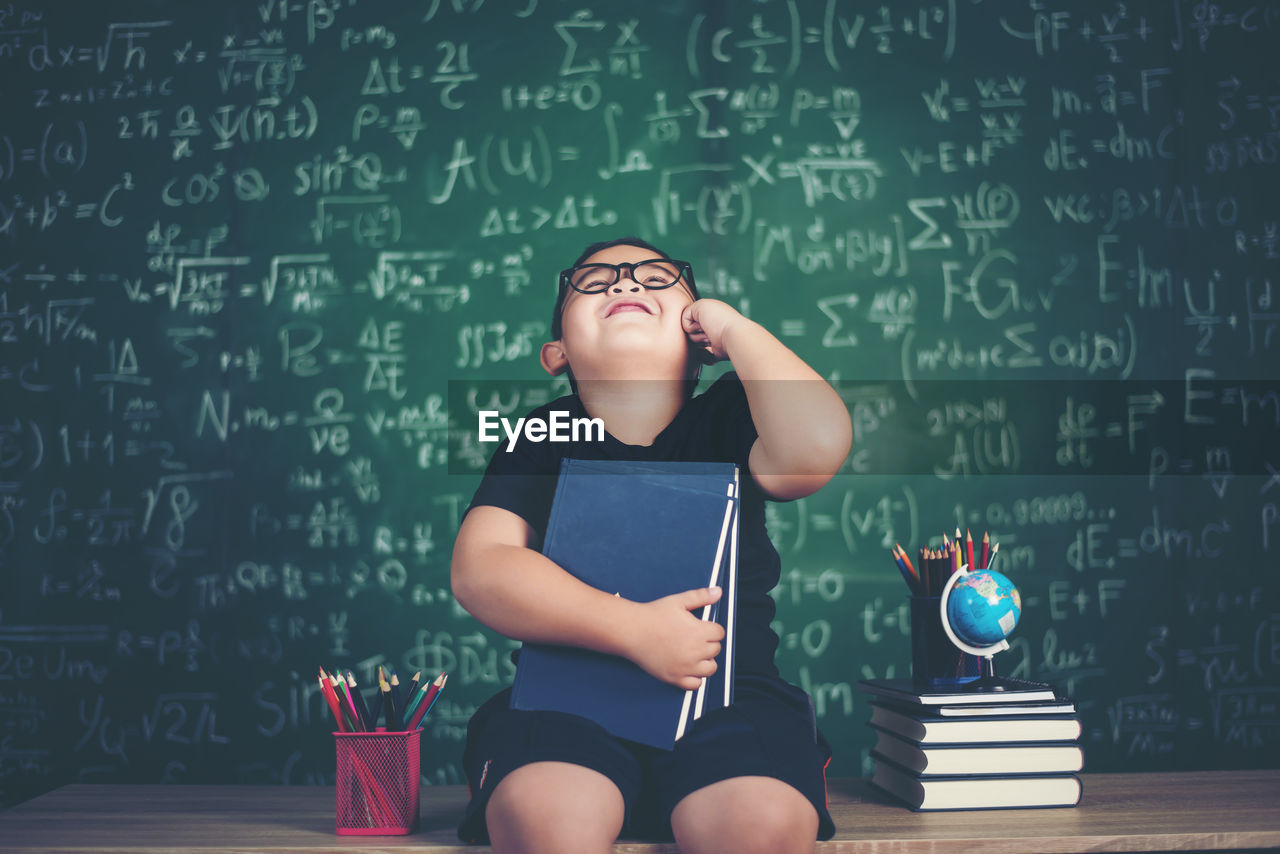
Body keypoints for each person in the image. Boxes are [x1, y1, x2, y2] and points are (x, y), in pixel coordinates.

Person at [451, 237, 852, 853]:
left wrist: (736, 329)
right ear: (556, 352)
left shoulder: (730, 415)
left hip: (726, 700)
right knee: (543, 815)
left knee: (759, 823)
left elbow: (815, 451)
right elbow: (482, 569)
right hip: (567, 703)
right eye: (594, 281)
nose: (625, 283)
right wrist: (631, 628)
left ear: (698, 337)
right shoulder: (539, 434)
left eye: (656, 278)